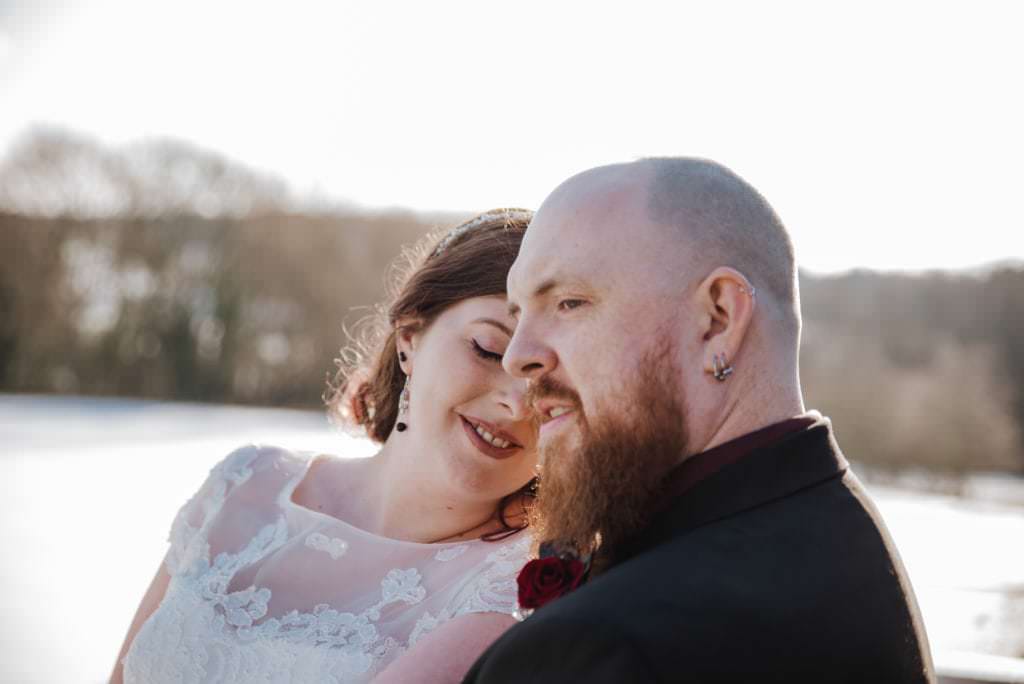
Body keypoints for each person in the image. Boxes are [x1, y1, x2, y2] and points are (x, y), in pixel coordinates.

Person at [463, 159, 936, 683]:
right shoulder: (840, 533)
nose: (518, 358)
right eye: (516, 315)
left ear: (718, 319)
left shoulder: (605, 647)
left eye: (569, 303)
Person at [110, 209, 540, 684]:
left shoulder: (517, 588)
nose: (517, 404)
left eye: (551, 383)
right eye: (488, 349)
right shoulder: (244, 481)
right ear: (410, 338)